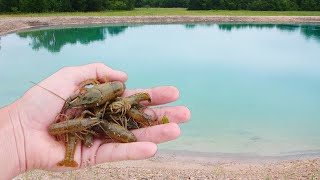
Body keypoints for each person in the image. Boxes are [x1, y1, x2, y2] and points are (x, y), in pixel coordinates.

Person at [0, 63, 191, 179]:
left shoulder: (105, 103)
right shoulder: (88, 101)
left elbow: (101, 112)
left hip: (112, 100)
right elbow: (90, 107)